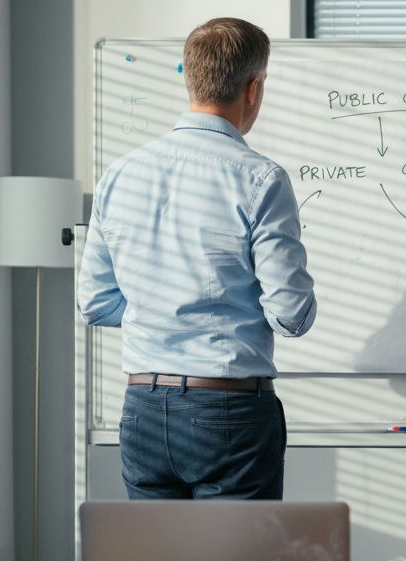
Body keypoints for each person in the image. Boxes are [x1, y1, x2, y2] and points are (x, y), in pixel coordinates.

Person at [78, 17, 316, 500]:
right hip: (229, 411)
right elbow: (290, 316)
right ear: (254, 89)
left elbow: (96, 305)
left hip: (142, 409)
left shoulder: (119, 175)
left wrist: (162, 307)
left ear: (190, 77)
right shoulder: (260, 179)